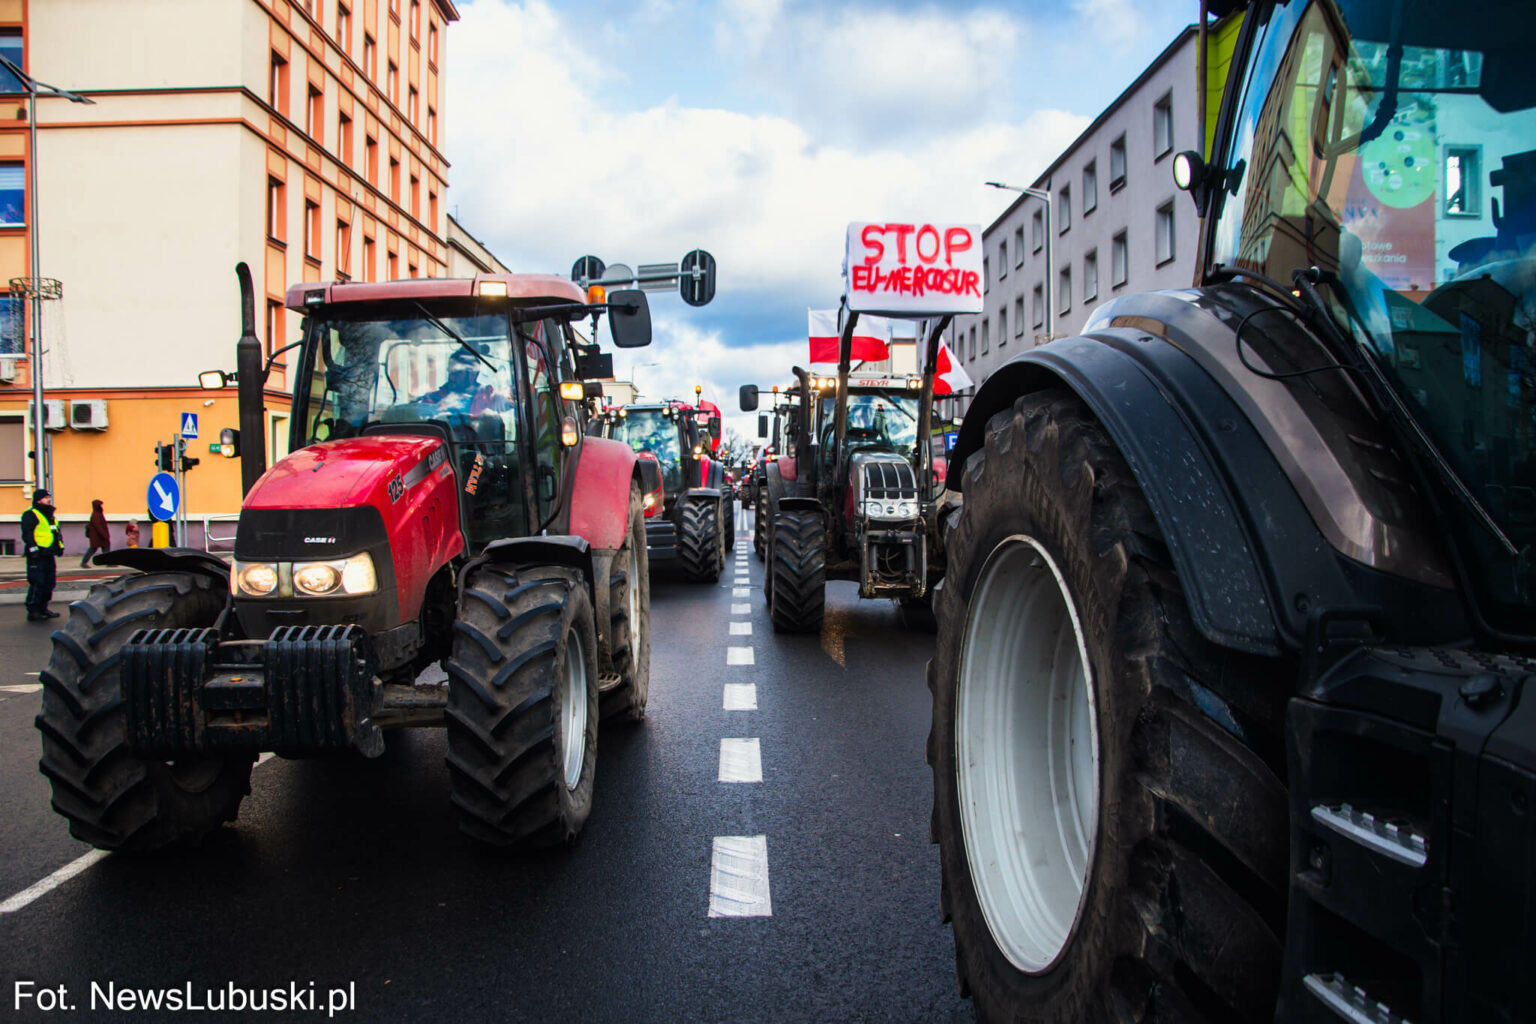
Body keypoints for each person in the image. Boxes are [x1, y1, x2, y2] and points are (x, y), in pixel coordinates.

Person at [420, 348, 513, 416]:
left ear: (472, 374)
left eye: (457, 373)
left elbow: (511, 402)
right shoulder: (433, 399)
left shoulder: (489, 397)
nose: (451, 377)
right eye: (450, 372)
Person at [21, 488, 63, 621]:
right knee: (37, 582)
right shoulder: (31, 514)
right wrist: (33, 549)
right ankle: (33, 611)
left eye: (48, 497)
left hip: (49, 553)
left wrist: (60, 547)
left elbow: (55, 533)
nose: (48, 499)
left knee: (49, 583)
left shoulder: (49, 515)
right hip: (37, 555)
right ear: (39, 500)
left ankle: (43, 608)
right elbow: (27, 533)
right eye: (45, 498)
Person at [82, 498, 109, 566]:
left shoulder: (97, 514)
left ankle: (108, 562)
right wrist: (104, 535)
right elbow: (98, 526)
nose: (101, 507)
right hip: (97, 536)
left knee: (105, 548)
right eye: (100, 505)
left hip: (98, 536)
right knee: (93, 549)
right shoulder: (96, 515)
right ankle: (84, 562)